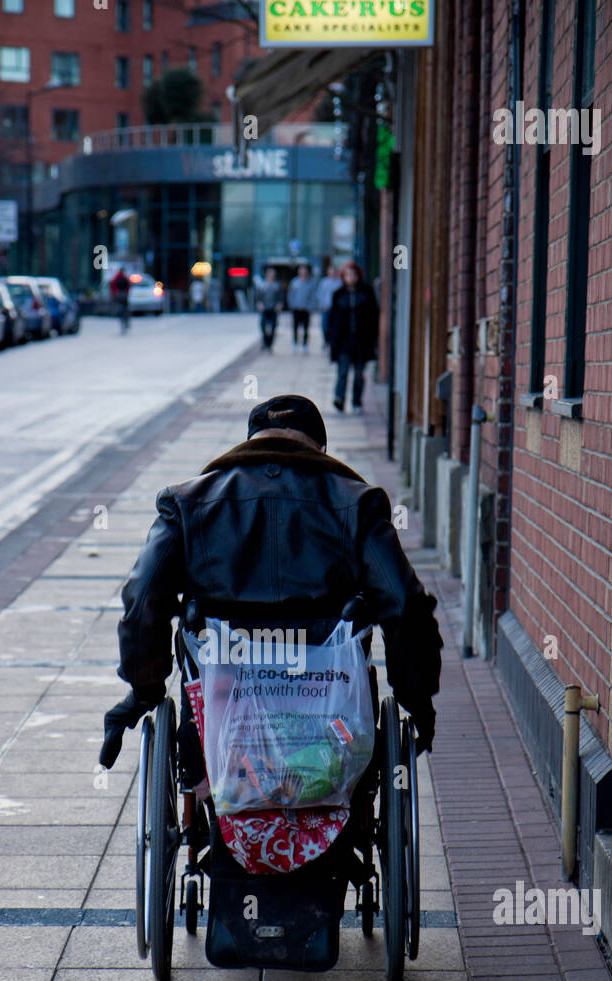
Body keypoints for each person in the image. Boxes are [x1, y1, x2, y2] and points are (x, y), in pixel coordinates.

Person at [98, 394, 443, 779]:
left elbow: (142, 599)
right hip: (330, 723)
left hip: (220, 718)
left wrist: (143, 690)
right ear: (321, 449)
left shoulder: (186, 503)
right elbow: (403, 603)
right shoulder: (357, 503)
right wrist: (418, 698)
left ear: (251, 442)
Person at [329, 262, 379, 414]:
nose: (350, 278)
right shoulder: (338, 295)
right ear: (343, 277)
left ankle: (356, 401)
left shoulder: (366, 293)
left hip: (361, 341)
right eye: (347, 275)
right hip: (343, 341)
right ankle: (339, 399)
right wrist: (331, 341)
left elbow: (373, 318)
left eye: (353, 275)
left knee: (359, 374)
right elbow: (333, 320)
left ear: (358, 276)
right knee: (342, 372)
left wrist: (373, 341)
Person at [286, 264, 316, 352]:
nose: (303, 272)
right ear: (299, 272)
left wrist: (311, 306)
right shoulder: (294, 282)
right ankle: (295, 343)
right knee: (295, 327)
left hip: (306, 309)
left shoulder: (311, 283)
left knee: (306, 328)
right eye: (301, 270)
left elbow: (313, 296)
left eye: (305, 270)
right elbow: (290, 294)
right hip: (296, 308)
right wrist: (292, 305)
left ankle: (305, 345)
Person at [255, 266, 282, 351]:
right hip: (264, 309)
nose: (271, 275)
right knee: (263, 325)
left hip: (273, 309)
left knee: (273, 326)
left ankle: (270, 344)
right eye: (270, 273)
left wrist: (279, 304)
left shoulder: (277, 285)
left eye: (273, 274)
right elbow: (258, 297)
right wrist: (259, 304)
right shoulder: (262, 285)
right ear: (267, 274)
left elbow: (280, 297)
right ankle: (265, 342)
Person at [316, 265, 340, 349]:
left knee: (335, 326)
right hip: (325, 308)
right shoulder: (324, 282)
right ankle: (327, 341)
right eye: (330, 271)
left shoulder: (340, 282)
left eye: (334, 271)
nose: (332, 273)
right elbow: (319, 295)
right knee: (325, 326)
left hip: (336, 309)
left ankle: (333, 341)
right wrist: (321, 305)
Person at [109, 267, 131, 332]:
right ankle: (126, 321)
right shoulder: (125, 277)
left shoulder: (116, 277)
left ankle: (122, 319)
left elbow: (112, 285)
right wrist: (127, 293)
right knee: (126, 308)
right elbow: (128, 286)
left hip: (118, 294)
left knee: (120, 308)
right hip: (124, 295)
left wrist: (114, 293)